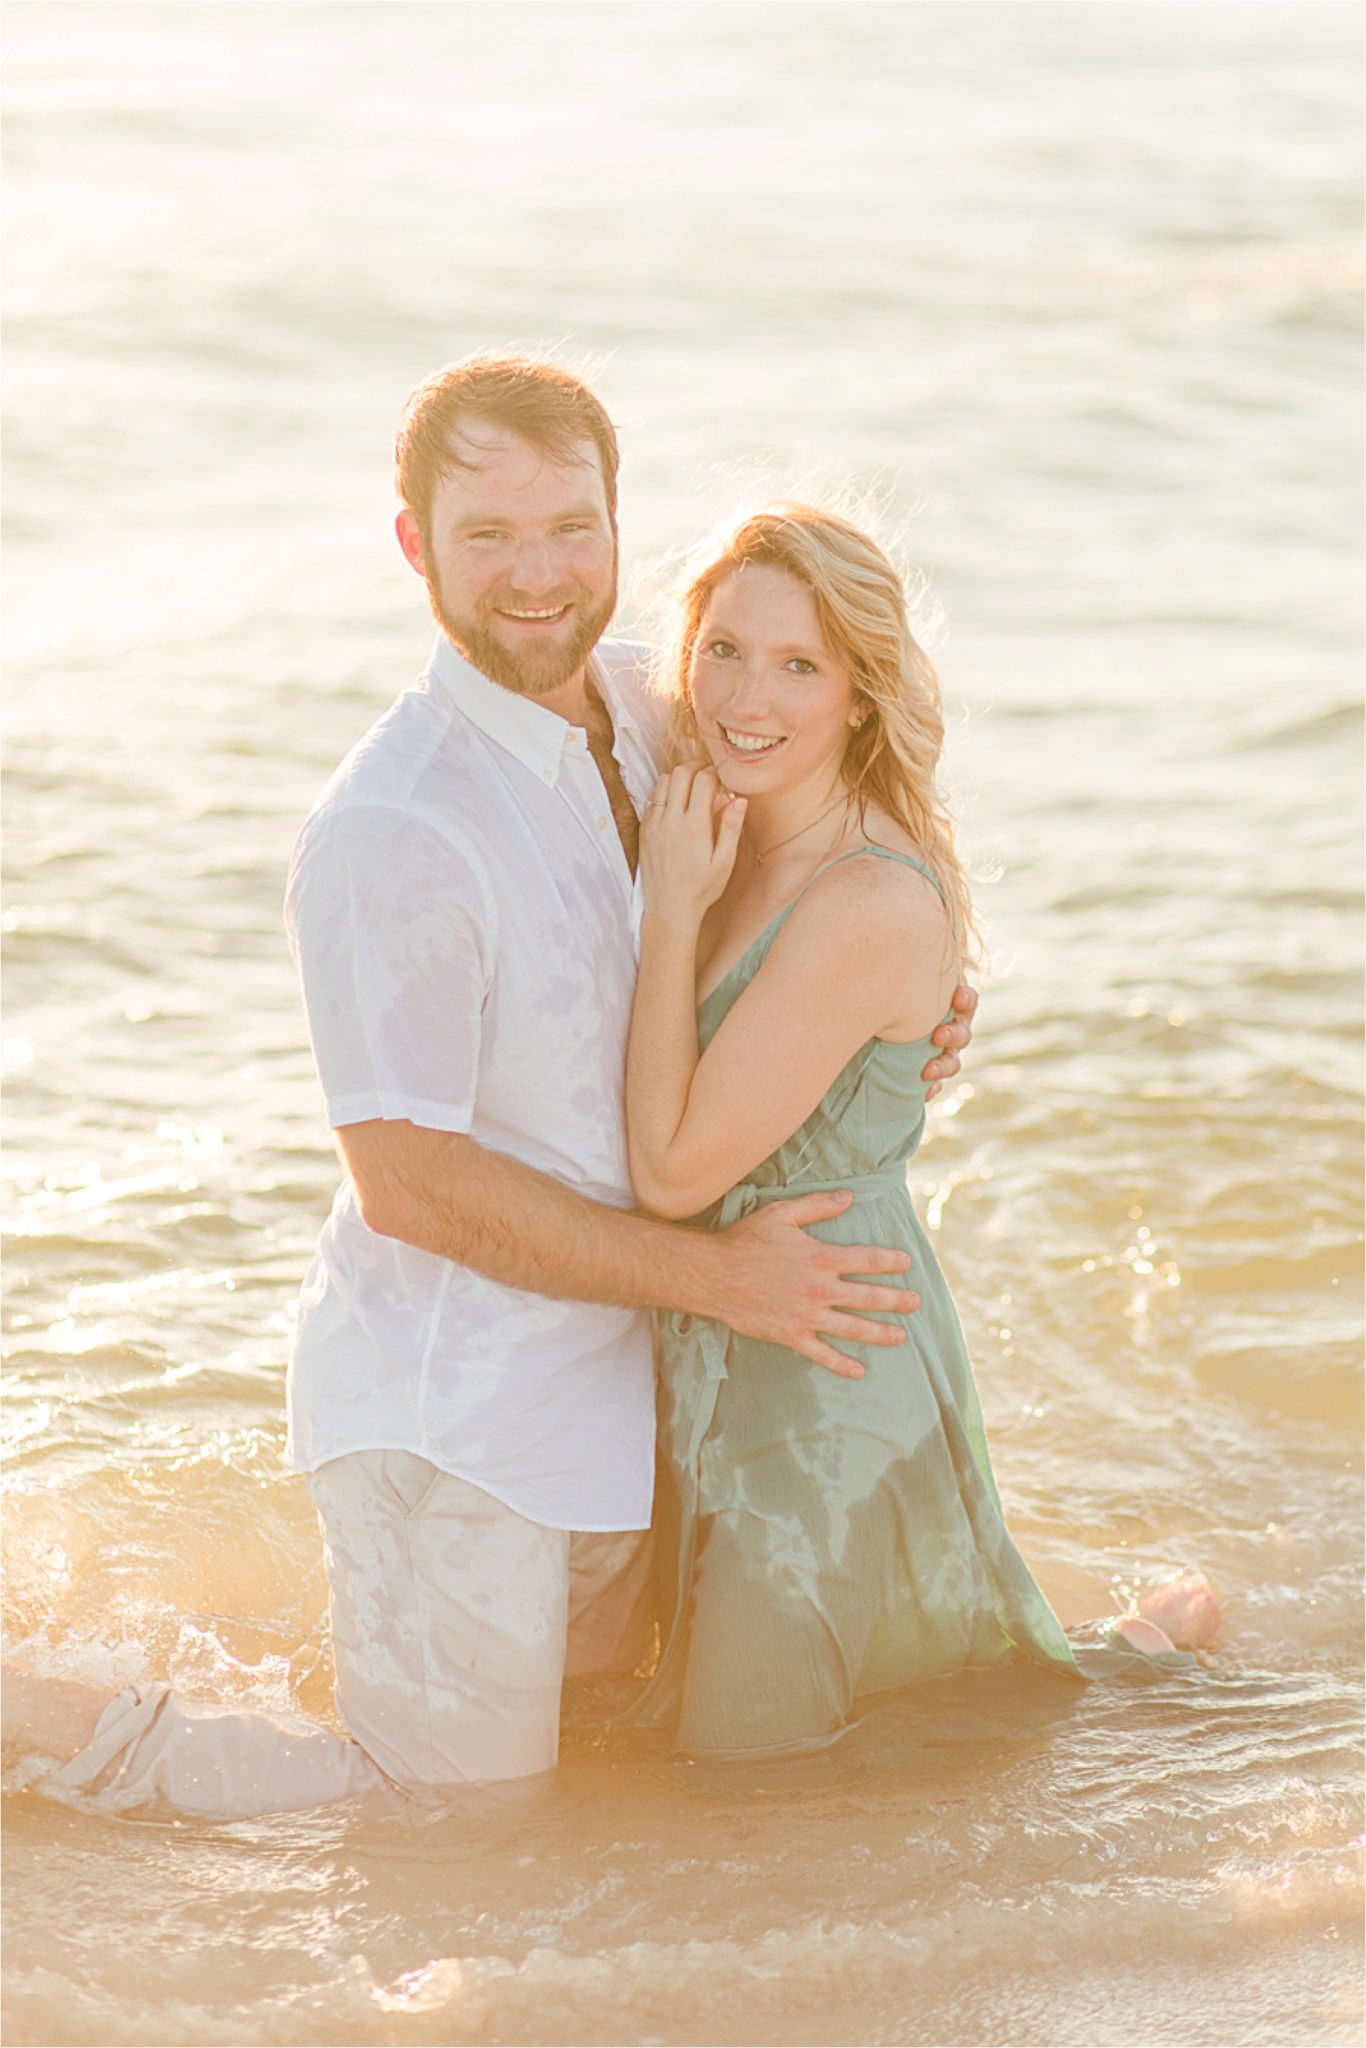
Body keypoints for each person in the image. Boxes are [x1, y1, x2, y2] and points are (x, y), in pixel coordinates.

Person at [2, 355, 979, 1816]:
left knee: (601, 1785)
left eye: (569, 528)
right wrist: (718, 1280)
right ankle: (41, 1720)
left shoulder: (662, 717)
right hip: (456, 1419)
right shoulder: (394, 832)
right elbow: (407, 1186)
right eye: (487, 536)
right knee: (443, 1816)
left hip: (629, 1400)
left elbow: (817, 875)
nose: (538, 576)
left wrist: (910, 1024)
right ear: (415, 546)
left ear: (614, 520)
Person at [618, 502, 1083, 1756]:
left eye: (797, 665)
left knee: (745, 1769)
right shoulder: (723, 815)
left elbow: (667, 1171)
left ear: (862, 697)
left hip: (827, 1361)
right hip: (727, 1336)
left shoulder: (862, 897)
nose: (742, 694)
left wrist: (668, 917)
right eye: (720, 649)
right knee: (849, 1704)